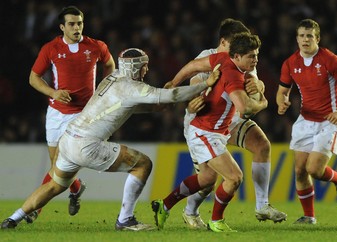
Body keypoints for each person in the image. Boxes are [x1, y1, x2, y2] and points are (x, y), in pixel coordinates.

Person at [1, 48, 221, 231]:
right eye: (144, 65)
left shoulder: (112, 79)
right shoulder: (133, 86)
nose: (147, 69)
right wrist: (205, 84)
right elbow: (169, 96)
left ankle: (13, 218)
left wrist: (159, 106)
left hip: (68, 140)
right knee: (143, 164)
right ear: (136, 67)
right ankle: (125, 219)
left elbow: (127, 107)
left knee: (55, 185)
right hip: (87, 145)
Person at [166, 18, 286, 229]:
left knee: (262, 145)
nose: (243, 46)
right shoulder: (211, 57)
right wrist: (185, 94)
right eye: (237, 43)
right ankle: (190, 211)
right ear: (224, 42)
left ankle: (262, 205)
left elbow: (252, 96)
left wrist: (260, 86)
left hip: (230, 121)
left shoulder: (246, 57)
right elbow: (197, 89)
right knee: (207, 180)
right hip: (203, 123)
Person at [152, 32, 268, 232]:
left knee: (206, 179)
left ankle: (164, 205)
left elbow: (193, 65)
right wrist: (263, 102)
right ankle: (216, 221)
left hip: (213, 131)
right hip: (205, 133)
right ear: (237, 56)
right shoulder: (233, 75)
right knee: (234, 177)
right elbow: (246, 109)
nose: (255, 60)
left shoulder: (222, 58)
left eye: (256, 55)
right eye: (251, 56)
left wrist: (174, 82)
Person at [27, 6, 115, 222]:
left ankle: (33, 210)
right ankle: (76, 189)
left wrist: (103, 92)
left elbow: (110, 64)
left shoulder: (96, 46)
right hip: (57, 113)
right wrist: (53, 92)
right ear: (62, 27)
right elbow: (33, 78)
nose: (77, 28)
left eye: (80, 23)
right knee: (55, 166)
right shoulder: (51, 48)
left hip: (83, 115)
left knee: (61, 163)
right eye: (72, 24)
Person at [276, 19, 337, 224]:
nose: (305, 40)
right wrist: (282, 102)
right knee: (299, 170)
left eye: (309, 36)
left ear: (317, 39)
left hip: (328, 121)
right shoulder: (290, 63)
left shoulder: (329, 59)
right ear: (296, 38)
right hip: (305, 119)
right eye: (302, 36)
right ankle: (309, 216)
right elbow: (282, 91)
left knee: (314, 169)